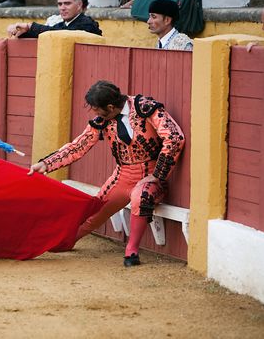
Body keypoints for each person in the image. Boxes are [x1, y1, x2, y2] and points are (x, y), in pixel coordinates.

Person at [28, 80, 185, 267]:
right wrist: (46, 164)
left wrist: (158, 174)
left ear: (110, 107)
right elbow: (79, 146)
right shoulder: (102, 120)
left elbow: (175, 137)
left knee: (140, 197)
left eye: (96, 109)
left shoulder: (146, 108)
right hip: (122, 176)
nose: (94, 113)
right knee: (94, 211)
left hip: (150, 177)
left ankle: (131, 251)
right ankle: (68, 241)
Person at [6, 0, 101, 39]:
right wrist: (21, 31)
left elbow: (63, 33)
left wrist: (30, 27)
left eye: (67, 3)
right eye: (60, 4)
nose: (62, 8)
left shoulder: (87, 24)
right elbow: (52, 31)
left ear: (79, 5)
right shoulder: (60, 25)